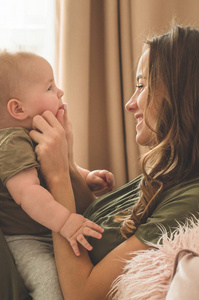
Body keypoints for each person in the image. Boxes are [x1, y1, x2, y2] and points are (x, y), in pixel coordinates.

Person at [28, 24, 199, 299]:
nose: (130, 104)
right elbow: (94, 231)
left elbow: (84, 293)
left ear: (182, 96)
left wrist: (57, 176)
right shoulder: (167, 172)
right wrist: (69, 164)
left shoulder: (191, 198)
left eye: (142, 86)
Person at [0, 51, 115, 300]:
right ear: (18, 108)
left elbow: (54, 168)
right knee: (51, 286)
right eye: (50, 87)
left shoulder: (33, 134)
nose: (60, 92)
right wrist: (64, 222)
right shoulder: (11, 143)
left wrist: (86, 177)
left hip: (50, 228)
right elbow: (28, 193)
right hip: (27, 239)